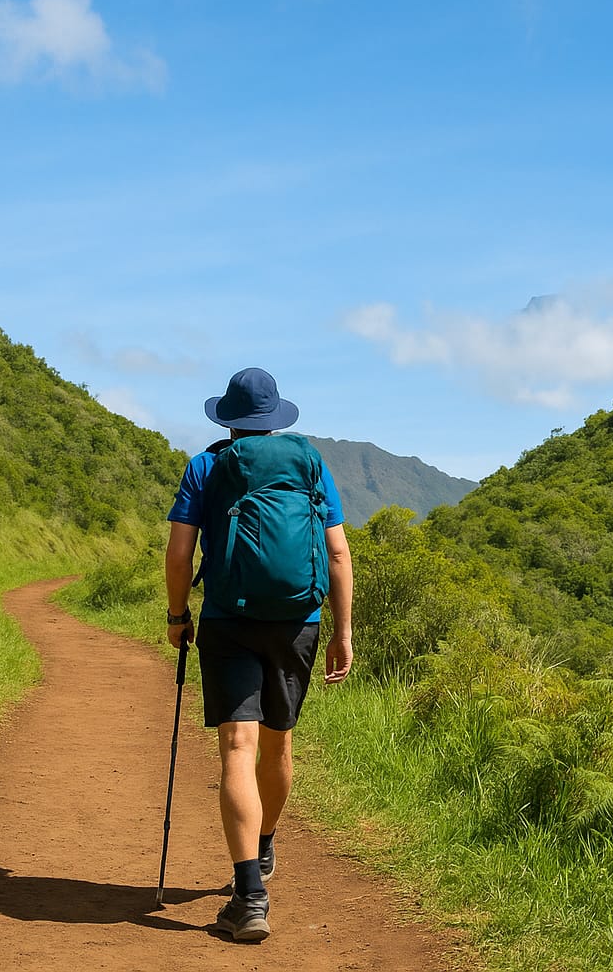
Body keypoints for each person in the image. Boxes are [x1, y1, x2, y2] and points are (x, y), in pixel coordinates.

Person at [164, 366, 353, 943]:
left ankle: (249, 899)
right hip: (298, 622)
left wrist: (177, 616)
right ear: (276, 418)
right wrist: (342, 632)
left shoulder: (206, 465)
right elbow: (338, 554)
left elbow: (178, 550)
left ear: (227, 417)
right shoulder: (310, 463)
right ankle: (265, 845)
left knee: (237, 747)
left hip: (228, 619)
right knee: (278, 740)